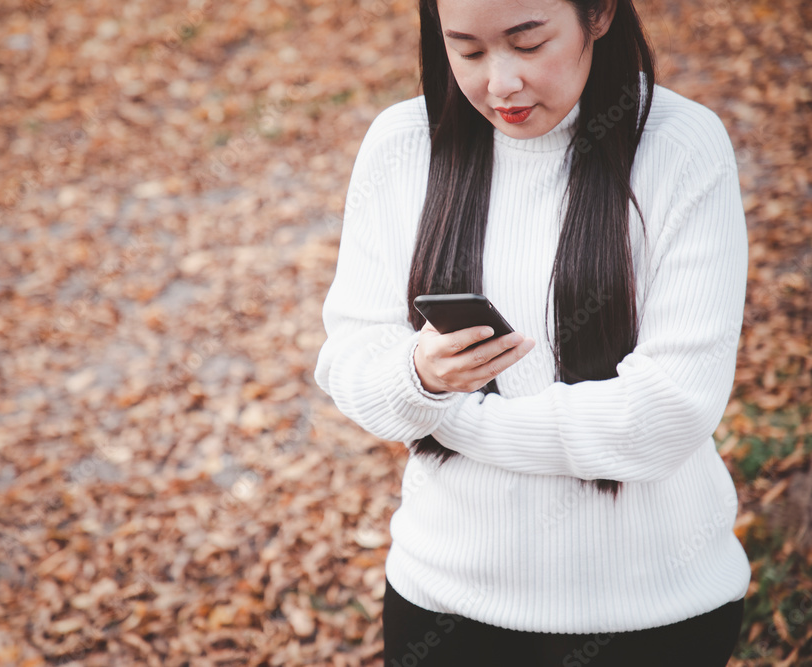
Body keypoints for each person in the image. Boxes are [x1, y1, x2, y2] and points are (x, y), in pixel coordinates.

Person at [313, 0, 751, 664]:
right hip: (445, 608)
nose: (501, 84)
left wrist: (455, 419)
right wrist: (420, 375)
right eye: (468, 50)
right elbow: (348, 360)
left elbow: (667, 412)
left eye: (527, 42)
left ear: (599, 14)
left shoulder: (680, 145)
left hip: (657, 614)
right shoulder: (405, 143)